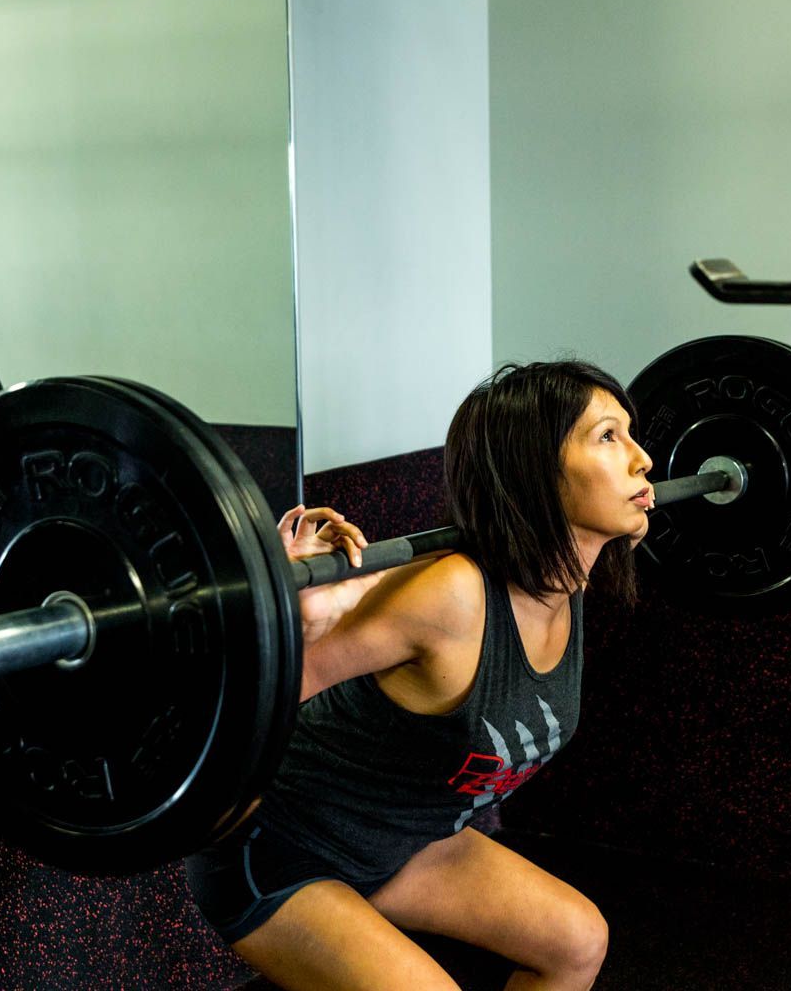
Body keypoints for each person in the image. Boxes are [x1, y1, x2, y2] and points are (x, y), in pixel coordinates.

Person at [187, 360, 653, 990]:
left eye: (629, 433)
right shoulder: (451, 597)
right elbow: (242, 706)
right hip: (282, 848)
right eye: (607, 437)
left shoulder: (561, 589)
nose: (643, 458)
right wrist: (297, 620)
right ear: (536, 471)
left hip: (403, 841)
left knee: (577, 941)